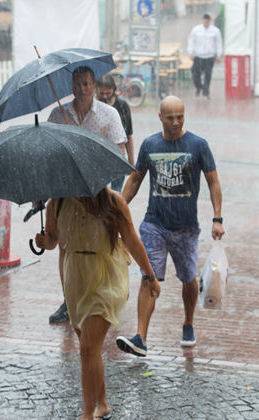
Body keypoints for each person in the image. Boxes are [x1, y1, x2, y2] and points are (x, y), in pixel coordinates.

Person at [34, 187, 158, 420]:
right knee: (89, 349)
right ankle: (102, 403)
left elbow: (131, 238)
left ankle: (87, 413)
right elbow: (52, 240)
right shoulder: (57, 203)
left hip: (108, 277)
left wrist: (150, 276)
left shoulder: (112, 202)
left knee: (87, 348)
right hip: (75, 279)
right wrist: (43, 241)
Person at [116, 96, 225, 357]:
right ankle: (141, 337)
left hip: (186, 227)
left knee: (188, 278)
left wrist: (217, 218)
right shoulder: (150, 144)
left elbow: (213, 182)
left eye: (180, 117)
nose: (176, 122)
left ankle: (188, 323)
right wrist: (118, 208)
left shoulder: (198, 145)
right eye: (170, 117)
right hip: (155, 224)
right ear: (160, 117)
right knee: (148, 276)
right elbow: (135, 180)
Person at [46, 66, 128, 324]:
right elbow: (48, 151)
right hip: (68, 190)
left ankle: (109, 292)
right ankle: (69, 301)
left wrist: (109, 192)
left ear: (94, 87)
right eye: (77, 84)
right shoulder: (58, 115)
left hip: (101, 189)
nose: (82, 89)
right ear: (71, 86)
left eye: (86, 84)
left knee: (105, 243)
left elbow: (120, 152)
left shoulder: (109, 114)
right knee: (66, 246)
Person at [96, 73, 135, 190]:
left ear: (114, 90)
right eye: (101, 93)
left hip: (117, 154)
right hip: (98, 156)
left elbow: (128, 134)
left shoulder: (122, 106)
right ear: (96, 90)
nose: (104, 96)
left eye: (107, 93)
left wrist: (131, 161)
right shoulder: (93, 106)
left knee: (116, 194)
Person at [187, 13, 223, 99]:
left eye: (208, 21)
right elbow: (191, 41)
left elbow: (219, 43)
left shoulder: (215, 31)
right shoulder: (196, 30)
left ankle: (206, 92)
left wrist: (218, 55)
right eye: (204, 20)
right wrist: (190, 52)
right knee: (195, 74)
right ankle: (199, 87)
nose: (206, 22)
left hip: (209, 57)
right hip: (198, 56)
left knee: (208, 75)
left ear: (210, 21)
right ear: (202, 20)